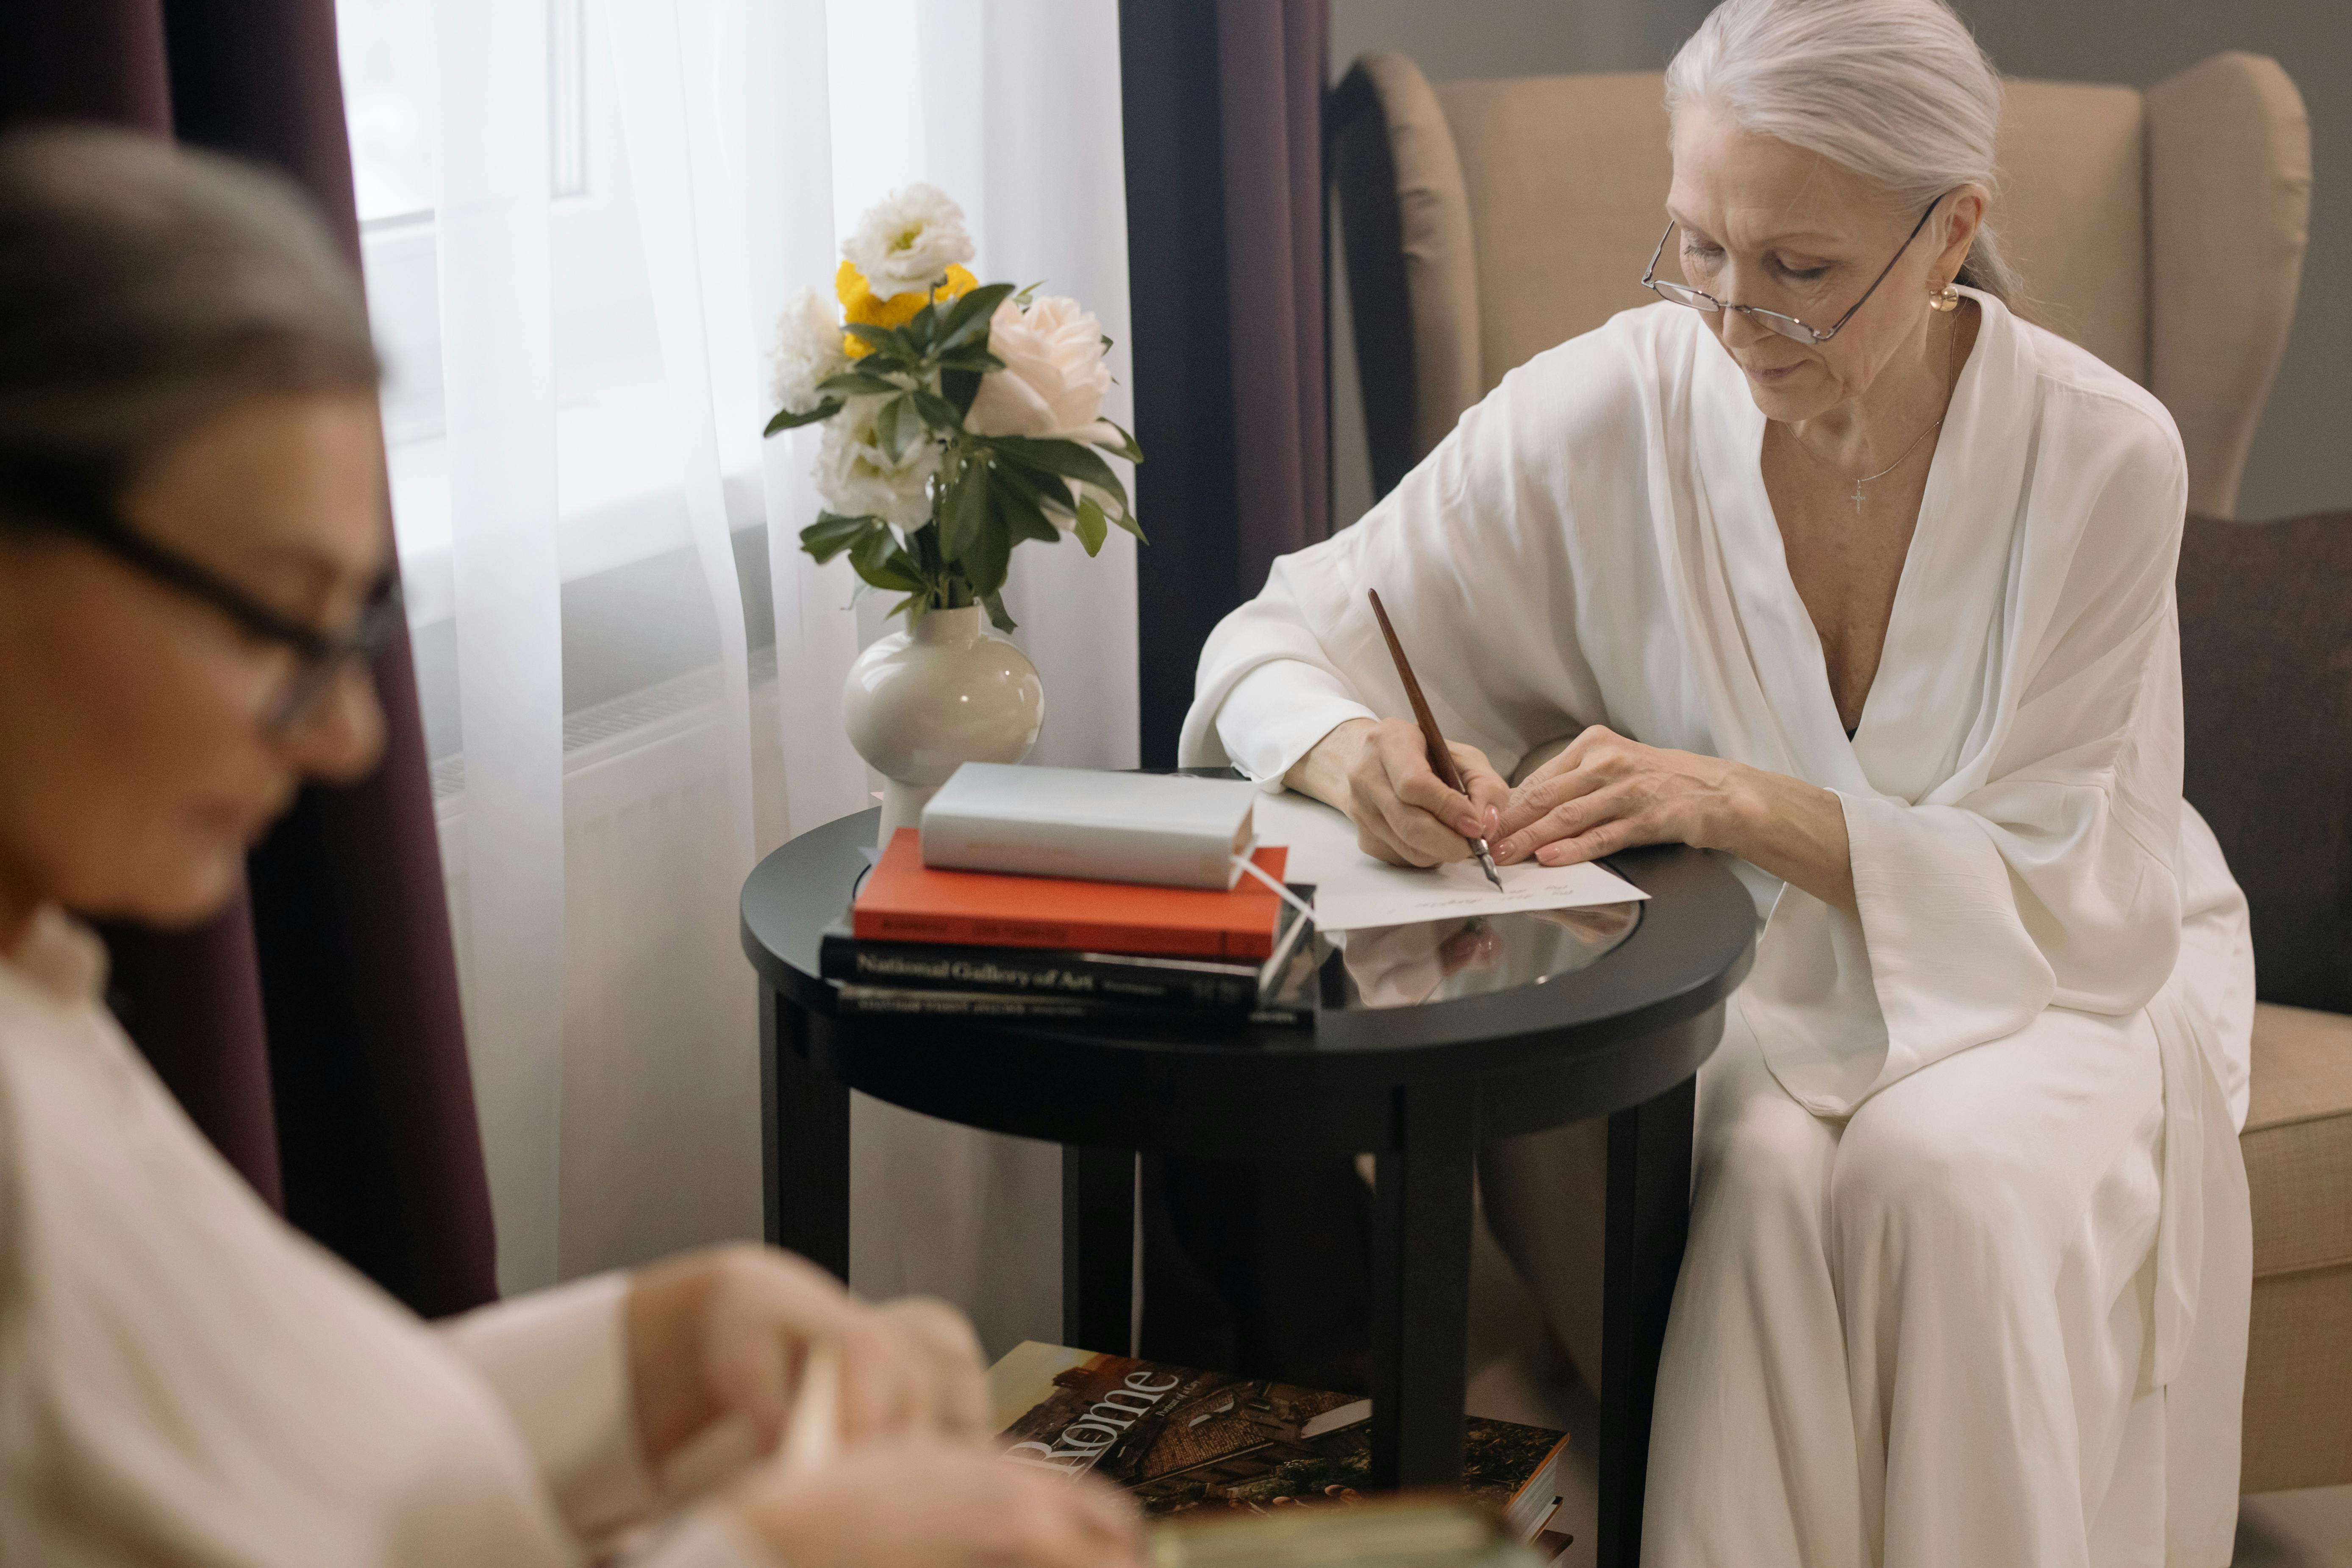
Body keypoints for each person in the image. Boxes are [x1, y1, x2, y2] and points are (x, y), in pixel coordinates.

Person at [1182, 1, 2256, 1564]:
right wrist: (1356, 755)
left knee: (1939, 1179)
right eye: (1697, 248)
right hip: (1753, 986)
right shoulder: (1615, 407)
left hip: (2063, 971)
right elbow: (1276, 634)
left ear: (1954, 228)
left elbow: (2069, 892)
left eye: (1800, 271)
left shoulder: (2104, 460)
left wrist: (1733, 802)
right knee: (1754, 1181)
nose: (1735, 320)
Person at [0, 127, 1145, 1568]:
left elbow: (268, 1478)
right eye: (270, 621)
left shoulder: (39, 991)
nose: (347, 740)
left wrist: (641, 1356)